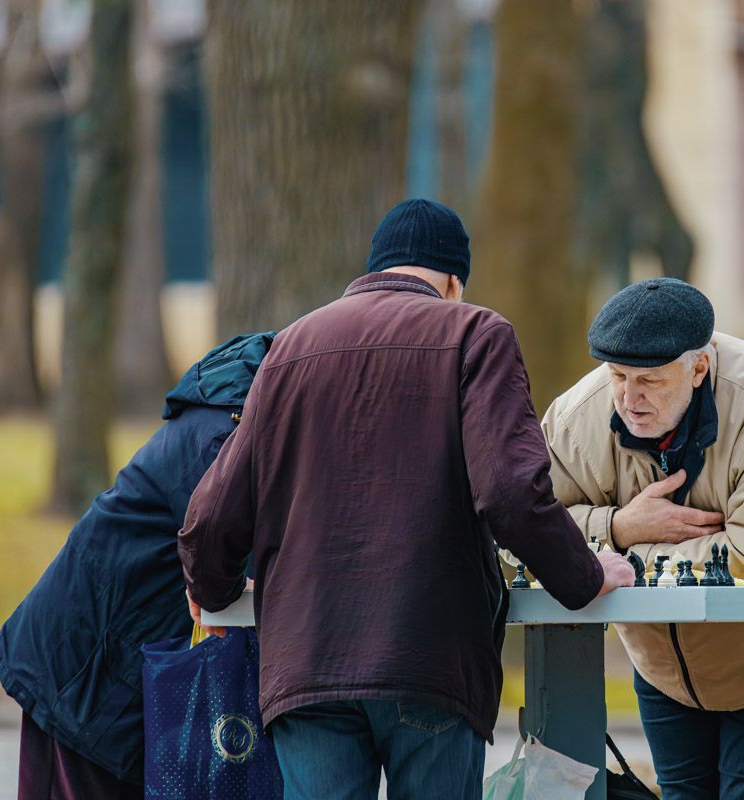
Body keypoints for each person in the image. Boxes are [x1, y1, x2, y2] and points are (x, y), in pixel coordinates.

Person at [178, 198, 634, 800]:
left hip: (306, 660)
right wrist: (583, 574)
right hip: (430, 657)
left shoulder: (289, 348)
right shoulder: (476, 332)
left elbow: (211, 516)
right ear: (452, 282)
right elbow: (509, 492)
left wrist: (213, 593)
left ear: (371, 272)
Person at [541, 278, 744, 800]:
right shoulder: (576, 420)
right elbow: (527, 534)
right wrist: (618, 527)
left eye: (651, 382)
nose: (629, 399)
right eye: (617, 376)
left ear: (698, 367)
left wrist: (620, 556)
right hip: (663, 672)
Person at [0, 332, 275, 799]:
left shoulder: (235, 420)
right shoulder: (222, 438)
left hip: (107, 658)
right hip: (84, 672)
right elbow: (220, 557)